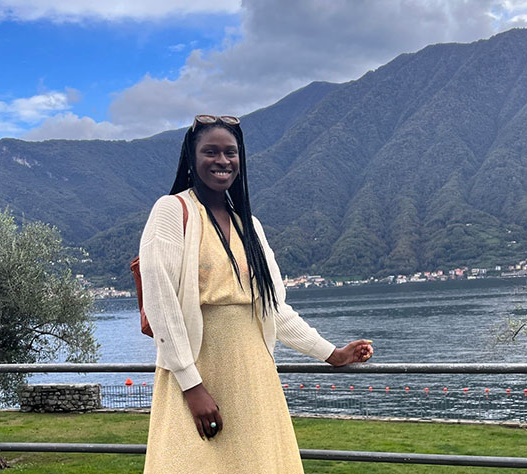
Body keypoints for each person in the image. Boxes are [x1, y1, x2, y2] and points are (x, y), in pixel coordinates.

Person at [139, 114, 374, 473]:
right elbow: (161, 305)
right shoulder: (172, 211)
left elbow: (274, 309)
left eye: (230, 152)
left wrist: (332, 354)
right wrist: (191, 385)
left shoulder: (248, 224)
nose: (222, 161)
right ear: (192, 156)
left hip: (254, 375)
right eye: (211, 151)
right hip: (199, 370)